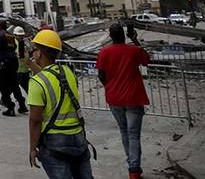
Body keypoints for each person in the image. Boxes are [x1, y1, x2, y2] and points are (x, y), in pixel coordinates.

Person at [27, 29, 93, 179]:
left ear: (40, 53)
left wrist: (32, 148)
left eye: (34, 49)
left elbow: (35, 120)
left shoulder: (36, 82)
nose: (33, 53)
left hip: (55, 143)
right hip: (78, 137)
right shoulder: (68, 72)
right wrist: (30, 64)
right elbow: (50, 74)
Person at [96, 22, 149, 179]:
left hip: (114, 98)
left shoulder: (105, 52)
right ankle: (134, 168)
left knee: (124, 131)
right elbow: (146, 60)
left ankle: (132, 164)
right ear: (124, 35)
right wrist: (135, 40)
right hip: (133, 98)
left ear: (111, 37)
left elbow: (101, 74)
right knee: (133, 134)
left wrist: (109, 87)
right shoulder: (134, 51)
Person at [0, 20, 27, 116]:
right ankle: (22, 105)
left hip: (5, 64)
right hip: (14, 63)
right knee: (14, 85)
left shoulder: (0, 35)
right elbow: (14, 48)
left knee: (3, 87)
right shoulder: (10, 36)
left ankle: (10, 107)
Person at [14, 26, 31, 93]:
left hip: (24, 69)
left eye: (22, 35)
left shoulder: (22, 42)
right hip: (18, 69)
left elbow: (27, 52)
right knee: (26, 87)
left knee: (27, 86)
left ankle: (4, 99)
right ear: (15, 35)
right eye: (19, 35)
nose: (21, 37)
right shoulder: (14, 43)